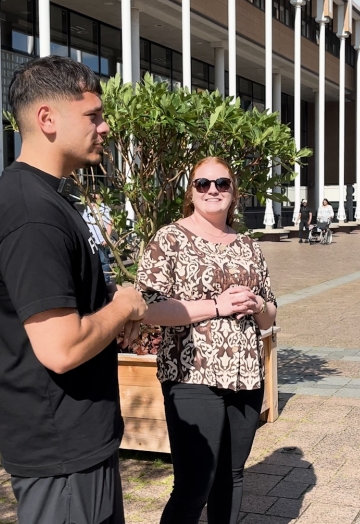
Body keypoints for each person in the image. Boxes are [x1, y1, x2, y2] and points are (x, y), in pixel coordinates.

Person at [0, 56, 148, 524]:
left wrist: (112, 314)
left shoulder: (53, 198)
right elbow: (62, 349)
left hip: (81, 440)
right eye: (92, 116)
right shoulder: (31, 213)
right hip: (59, 450)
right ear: (46, 118)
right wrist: (126, 304)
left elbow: (76, 305)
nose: (105, 127)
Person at [135, 156, 278, 524]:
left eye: (221, 183)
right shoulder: (170, 238)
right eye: (203, 183)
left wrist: (259, 302)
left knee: (231, 478)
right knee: (195, 483)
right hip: (191, 374)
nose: (212, 190)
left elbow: (271, 311)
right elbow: (148, 308)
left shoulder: (247, 244)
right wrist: (216, 305)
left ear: (233, 192)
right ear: (192, 191)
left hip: (245, 375)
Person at [84, 193, 114, 281]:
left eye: (95, 198)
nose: (93, 200)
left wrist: (107, 238)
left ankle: (106, 281)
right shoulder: (88, 209)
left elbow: (110, 223)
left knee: (104, 261)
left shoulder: (105, 209)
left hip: (101, 240)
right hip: (91, 241)